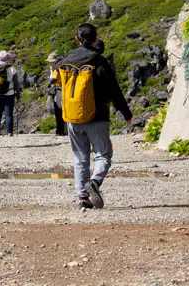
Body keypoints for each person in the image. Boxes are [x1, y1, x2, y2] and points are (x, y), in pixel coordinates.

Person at [56, 22, 132, 211]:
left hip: (73, 117)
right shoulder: (99, 61)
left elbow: (56, 73)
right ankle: (95, 183)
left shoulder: (67, 59)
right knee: (103, 155)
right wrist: (126, 113)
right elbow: (114, 90)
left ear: (77, 38)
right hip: (97, 116)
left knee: (80, 158)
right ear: (95, 39)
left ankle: (83, 198)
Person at [0, 51, 22, 136]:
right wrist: (18, 94)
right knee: (8, 114)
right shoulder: (12, 69)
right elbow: (16, 84)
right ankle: (9, 132)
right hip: (9, 94)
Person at [45, 51, 66, 135]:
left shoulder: (57, 68)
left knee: (58, 110)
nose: (49, 64)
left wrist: (48, 85)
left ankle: (60, 130)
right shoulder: (62, 65)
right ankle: (64, 130)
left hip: (59, 90)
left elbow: (52, 79)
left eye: (50, 62)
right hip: (63, 89)